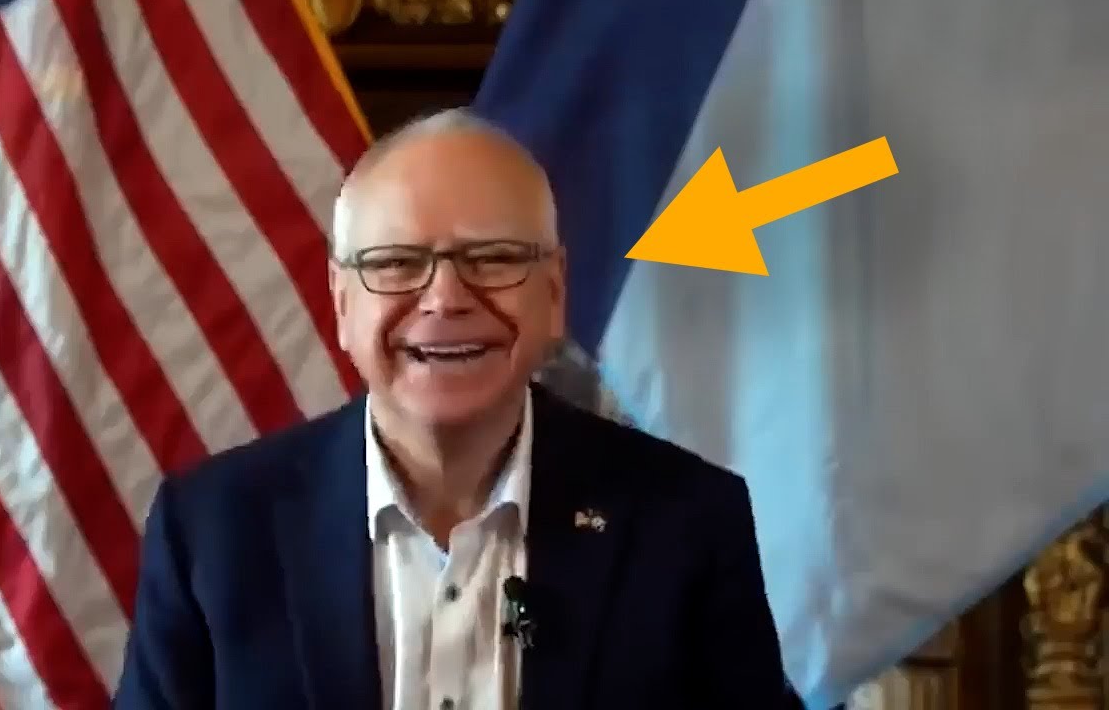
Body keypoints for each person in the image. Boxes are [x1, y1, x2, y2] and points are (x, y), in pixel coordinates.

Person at [113, 108, 801, 709]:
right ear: (343, 303)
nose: (445, 298)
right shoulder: (211, 532)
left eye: (493, 258)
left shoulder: (686, 521)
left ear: (554, 294)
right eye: (396, 263)